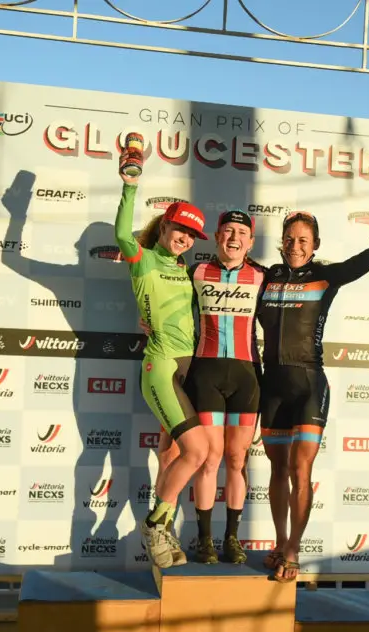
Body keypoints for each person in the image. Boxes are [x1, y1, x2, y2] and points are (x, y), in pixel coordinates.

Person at [257, 177, 369, 583]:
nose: (296, 244)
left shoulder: (327, 277)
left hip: (308, 385)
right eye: (290, 238)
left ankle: (293, 550)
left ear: (315, 245)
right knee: (276, 470)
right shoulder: (264, 279)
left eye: (304, 240)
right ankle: (279, 540)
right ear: (282, 241)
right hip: (271, 388)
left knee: (300, 470)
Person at [142, 209, 265, 564]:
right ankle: (205, 540)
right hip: (206, 373)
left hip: (247, 376)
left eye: (241, 232)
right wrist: (147, 319)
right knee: (209, 459)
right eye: (227, 230)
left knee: (237, 460)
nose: (233, 237)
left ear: (251, 242)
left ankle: (232, 538)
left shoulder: (262, 277)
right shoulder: (194, 271)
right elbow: (167, 299)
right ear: (215, 236)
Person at [114, 155, 211, 569]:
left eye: (192, 234)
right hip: (161, 368)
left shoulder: (182, 267)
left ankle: (163, 531)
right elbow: (121, 234)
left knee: (171, 454)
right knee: (198, 451)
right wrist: (130, 185)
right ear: (165, 225)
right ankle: (154, 524)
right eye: (180, 229)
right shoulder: (146, 259)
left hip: (188, 371)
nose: (185, 238)